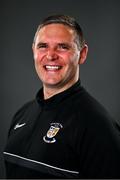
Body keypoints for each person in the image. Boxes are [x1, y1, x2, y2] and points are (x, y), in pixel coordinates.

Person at [3, 14, 120, 179]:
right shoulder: (22, 115)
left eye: (63, 47)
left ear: (82, 54)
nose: (50, 55)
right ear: (33, 51)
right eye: (43, 46)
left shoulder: (97, 126)